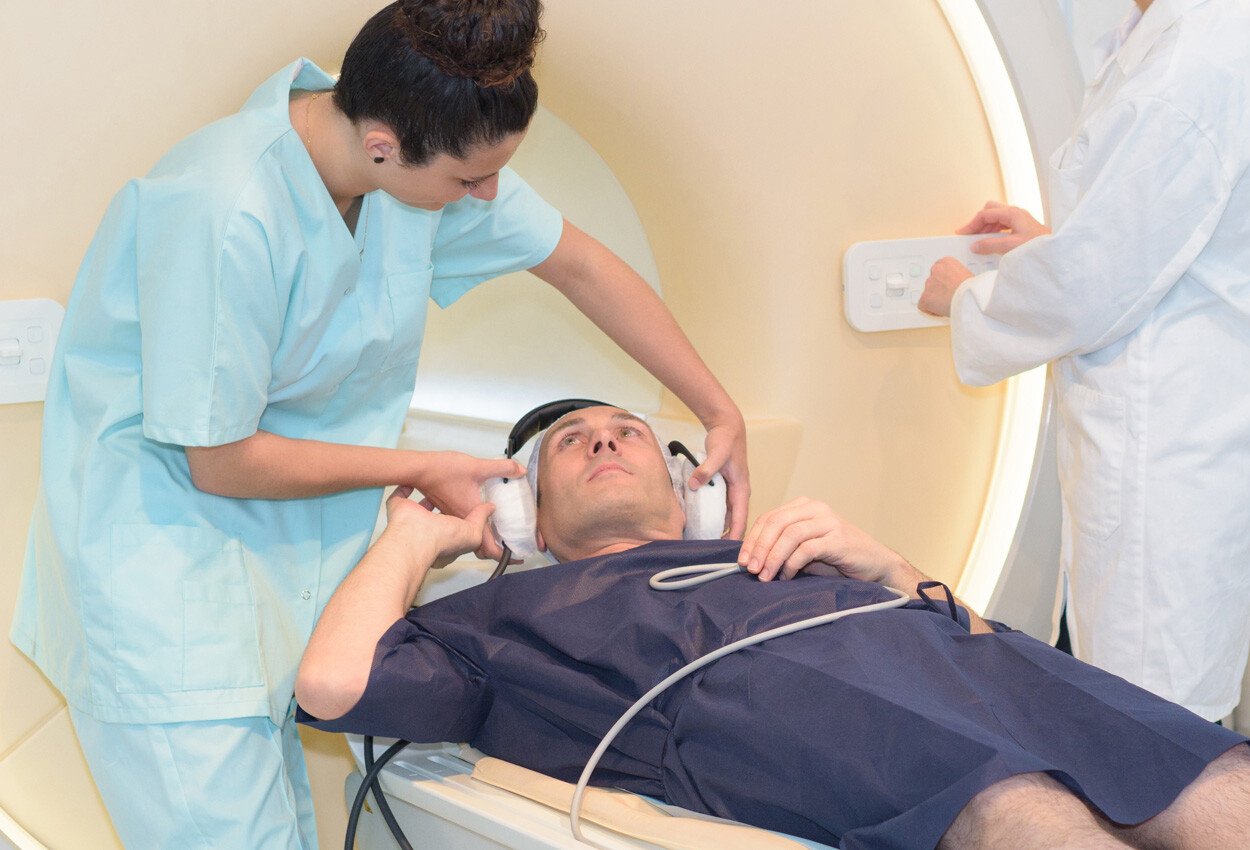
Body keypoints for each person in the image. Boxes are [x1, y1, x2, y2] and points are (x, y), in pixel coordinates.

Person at [9, 3, 749, 847]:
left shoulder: (412, 158)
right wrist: (426, 469)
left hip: (275, 586)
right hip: (165, 596)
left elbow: (575, 260)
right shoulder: (224, 209)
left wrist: (717, 407)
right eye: (470, 182)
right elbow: (217, 459)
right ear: (382, 146)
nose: (488, 196)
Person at [298, 404, 1250, 850]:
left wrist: (888, 567)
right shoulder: (500, 619)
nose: (604, 440)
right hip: (787, 716)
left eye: (628, 431)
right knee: (1017, 804)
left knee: (1205, 769)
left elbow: (969, 639)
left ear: (693, 497)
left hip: (962, 663)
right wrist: (413, 540)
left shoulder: (782, 552)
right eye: (571, 444)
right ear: (526, 524)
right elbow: (333, 687)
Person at [917, 0, 1250, 720]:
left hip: (1166, 446)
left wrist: (969, 297)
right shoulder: (1172, 36)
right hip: (1169, 418)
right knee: (1154, 704)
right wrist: (1052, 238)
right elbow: (1157, 230)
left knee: (1154, 720)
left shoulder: (1197, 59)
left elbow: (1093, 285)